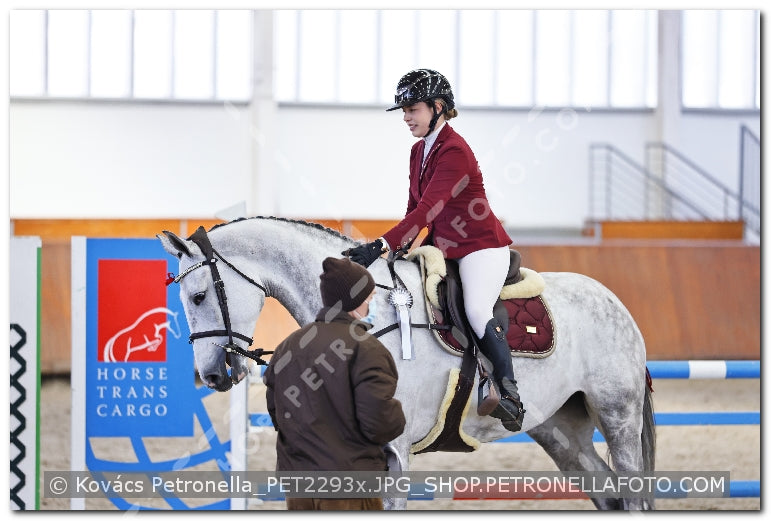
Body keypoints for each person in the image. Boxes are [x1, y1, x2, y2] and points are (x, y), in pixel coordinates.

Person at [344, 68, 525, 432]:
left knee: (475, 309)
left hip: (480, 247)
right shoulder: (418, 151)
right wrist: (398, 248)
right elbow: (413, 209)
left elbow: (430, 209)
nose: (407, 118)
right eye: (404, 111)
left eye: (412, 109)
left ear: (438, 107)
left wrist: (381, 244)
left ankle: (509, 393)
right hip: (443, 248)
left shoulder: (455, 150)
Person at [263, 256, 406, 511]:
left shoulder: (288, 345)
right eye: (369, 299)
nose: (371, 305)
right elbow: (380, 423)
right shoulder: (367, 348)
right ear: (354, 303)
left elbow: (277, 412)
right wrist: (398, 416)